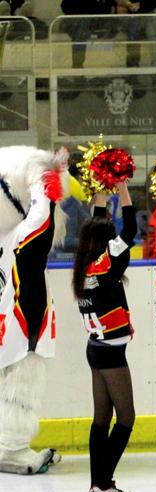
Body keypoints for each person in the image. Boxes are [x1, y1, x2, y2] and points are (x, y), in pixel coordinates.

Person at [0, 146, 63, 475]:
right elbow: (42, 217)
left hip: (6, 322)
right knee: (21, 386)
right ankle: (12, 450)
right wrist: (43, 176)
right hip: (22, 324)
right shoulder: (21, 237)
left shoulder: (5, 236)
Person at [72, 181, 137, 492]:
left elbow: (96, 225)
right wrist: (122, 187)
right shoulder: (107, 263)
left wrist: (101, 191)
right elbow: (131, 228)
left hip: (96, 348)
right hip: (110, 352)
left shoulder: (85, 265)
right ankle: (101, 484)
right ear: (105, 241)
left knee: (102, 418)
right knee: (126, 418)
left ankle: (98, 484)